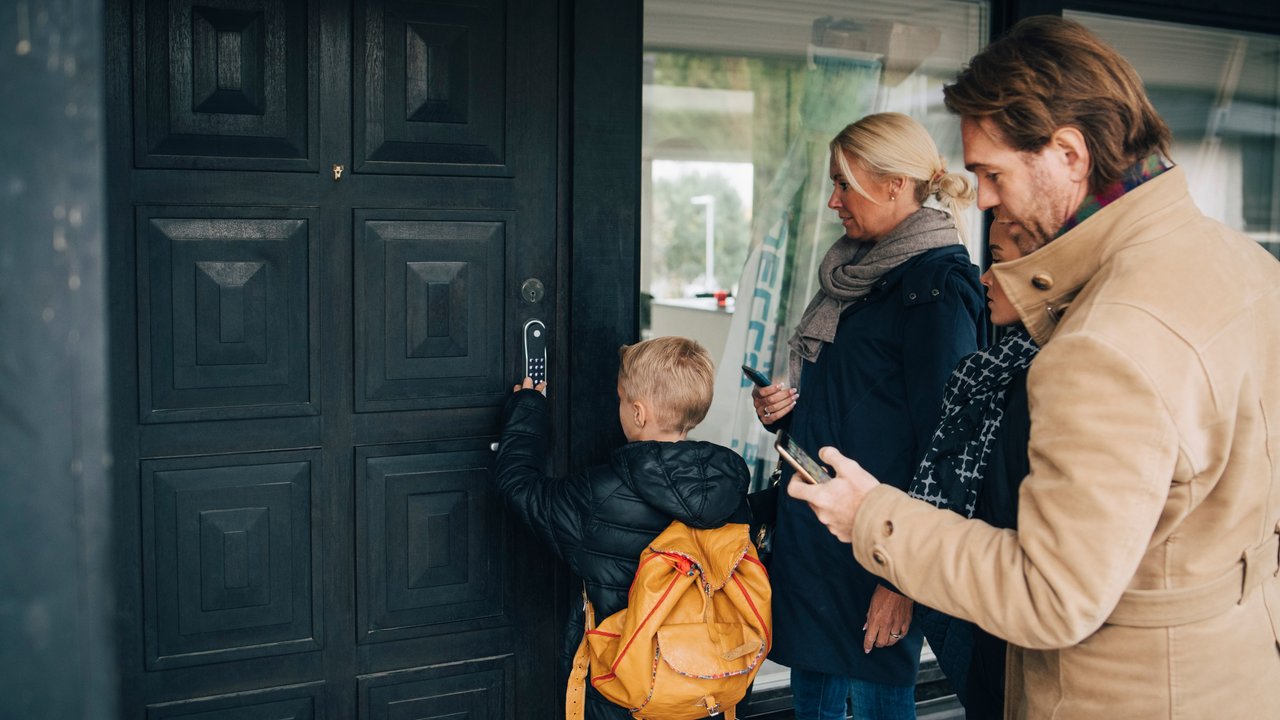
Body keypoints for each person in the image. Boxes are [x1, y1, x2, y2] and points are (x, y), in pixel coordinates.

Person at [788, 16, 1280, 719]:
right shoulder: (1251, 270)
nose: (981, 199)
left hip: (1123, 694)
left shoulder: (1105, 341)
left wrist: (874, 517)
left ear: (1069, 155)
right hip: (1235, 677)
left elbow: (1049, 595)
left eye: (993, 173)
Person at [751, 111, 986, 720]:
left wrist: (902, 578)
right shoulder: (859, 274)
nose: (832, 202)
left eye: (843, 183)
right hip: (821, 547)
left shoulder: (935, 287)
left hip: (874, 556)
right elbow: (861, 406)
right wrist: (785, 417)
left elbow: (951, 442)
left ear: (892, 184)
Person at [493, 335, 752, 720]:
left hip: (626, 690)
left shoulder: (598, 494)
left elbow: (518, 487)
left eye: (619, 400)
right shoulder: (727, 488)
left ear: (639, 413)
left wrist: (528, 408)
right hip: (704, 682)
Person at [905, 220, 1040, 719]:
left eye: (999, 261)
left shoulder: (1034, 387)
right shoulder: (992, 371)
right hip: (984, 617)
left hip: (1011, 629)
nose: (985, 278)